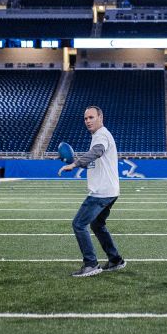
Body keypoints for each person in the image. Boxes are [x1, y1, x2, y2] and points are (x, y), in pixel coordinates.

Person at [58, 106, 125, 277]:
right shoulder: (98, 136)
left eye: (91, 117)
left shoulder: (101, 135)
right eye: (86, 118)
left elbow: (97, 151)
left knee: (79, 224)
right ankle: (115, 259)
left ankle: (91, 264)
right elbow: (95, 159)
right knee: (97, 224)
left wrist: (74, 164)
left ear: (100, 117)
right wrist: (78, 160)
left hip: (101, 192)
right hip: (110, 190)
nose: (87, 121)